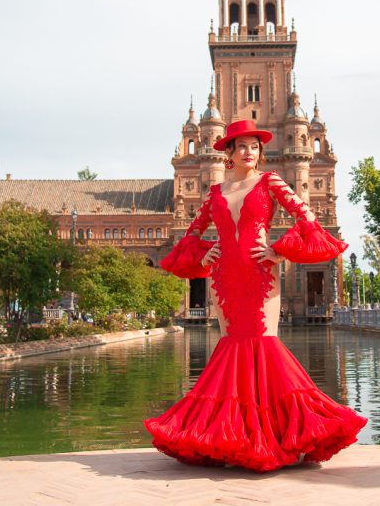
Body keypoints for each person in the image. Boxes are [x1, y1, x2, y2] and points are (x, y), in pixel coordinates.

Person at [144, 119, 367, 471]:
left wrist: (279, 250)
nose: (250, 152)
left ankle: (275, 436)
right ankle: (236, 436)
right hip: (224, 277)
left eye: (255, 146)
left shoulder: (269, 180)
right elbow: (192, 231)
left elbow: (305, 216)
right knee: (231, 346)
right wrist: (204, 255)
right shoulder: (215, 193)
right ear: (228, 152)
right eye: (243, 146)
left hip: (259, 271)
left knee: (263, 344)